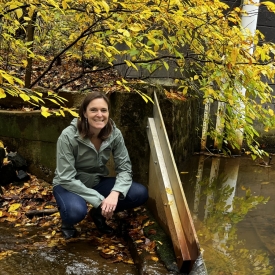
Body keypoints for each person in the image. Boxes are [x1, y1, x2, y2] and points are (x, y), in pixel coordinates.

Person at [52, 91, 149, 239]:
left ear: (109, 112)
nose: (99, 114)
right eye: (93, 110)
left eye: (104, 110)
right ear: (84, 113)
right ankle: (67, 222)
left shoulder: (114, 134)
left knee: (139, 193)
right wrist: (99, 200)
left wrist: (115, 193)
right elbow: (66, 177)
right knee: (75, 212)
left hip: (95, 181)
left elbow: (125, 169)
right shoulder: (68, 136)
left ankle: (98, 214)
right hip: (68, 185)